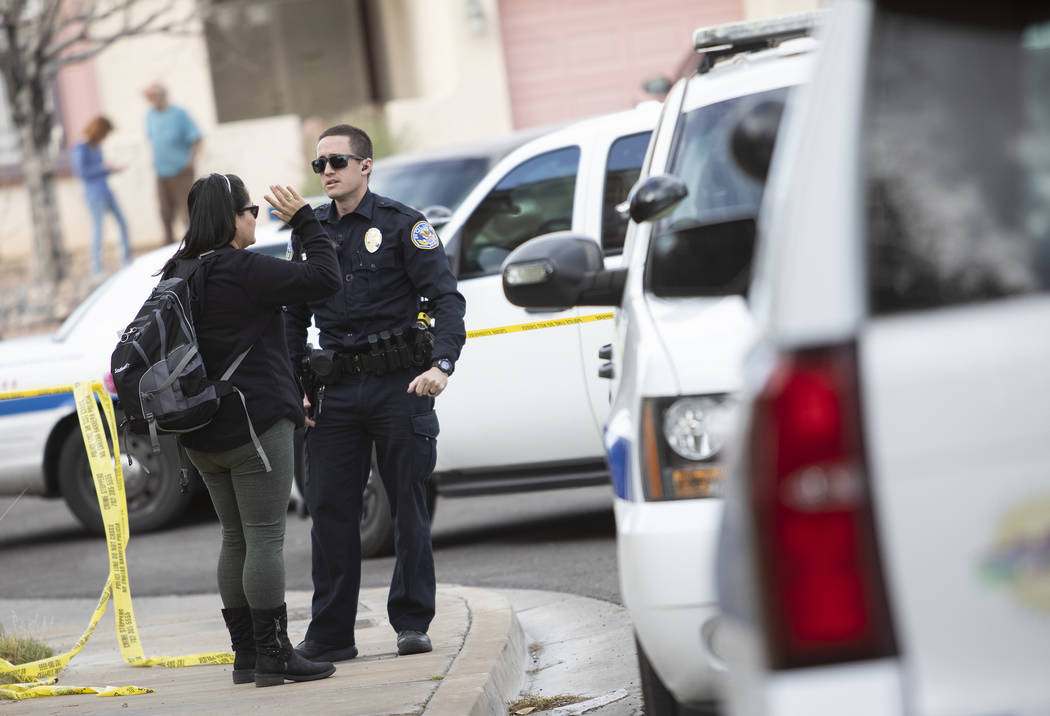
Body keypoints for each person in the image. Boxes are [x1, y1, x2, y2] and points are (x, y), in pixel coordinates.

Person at [284, 124, 466, 662]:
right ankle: (332, 632)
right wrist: (298, 384)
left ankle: (411, 621)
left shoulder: (403, 226)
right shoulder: (310, 231)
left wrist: (442, 364)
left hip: (398, 384)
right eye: (320, 165)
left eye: (337, 161)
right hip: (336, 389)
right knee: (330, 509)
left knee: (407, 503)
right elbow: (292, 314)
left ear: (365, 166)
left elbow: (447, 300)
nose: (327, 172)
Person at [161, 172, 341, 687]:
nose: (255, 219)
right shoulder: (241, 269)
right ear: (233, 217)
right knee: (265, 537)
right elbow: (327, 278)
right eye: (251, 212)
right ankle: (275, 656)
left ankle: (245, 656)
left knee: (235, 537)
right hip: (254, 424)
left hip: (198, 431)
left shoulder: (178, 271)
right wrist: (305, 220)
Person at [70, 116, 131, 275]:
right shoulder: (80, 148)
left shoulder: (96, 147)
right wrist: (101, 167)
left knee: (123, 223)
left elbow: (100, 169)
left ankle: (126, 260)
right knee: (98, 229)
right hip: (94, 194)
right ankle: (96, 268)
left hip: (106, 190)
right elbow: (81, 172)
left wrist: (113, 169)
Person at [144, 82, 201, 244]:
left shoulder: (179, 114)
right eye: (151, 98)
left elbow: (196, 137)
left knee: (187, 210)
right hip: (162, 171)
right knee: (165, 211)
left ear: (163, 96)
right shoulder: (150, 116)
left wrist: (190, 160)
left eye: (156, 96)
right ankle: (168, 243)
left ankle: (194, 242)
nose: (153, 100)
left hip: (181, 170)